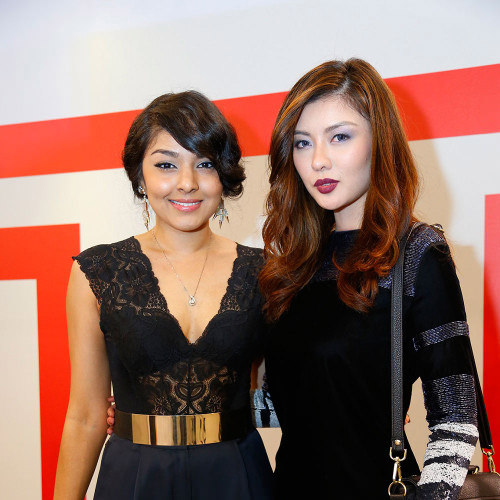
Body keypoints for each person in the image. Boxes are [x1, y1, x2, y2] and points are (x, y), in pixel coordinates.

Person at [259, 58, 479, 499]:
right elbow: (301, 403)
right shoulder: (292, 263)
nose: (318, 160)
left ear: (380, 140)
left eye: (340, 137)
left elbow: (456, 417)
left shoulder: (417, 253)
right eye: (302, 143)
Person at [53, 91, 273, 500]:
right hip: (134, 477)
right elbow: (84, 417)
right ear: (140, 175)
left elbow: (296, 392)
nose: (187, 183)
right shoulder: (97, 272)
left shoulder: (265, 272)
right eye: (166, 164)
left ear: (224, 175)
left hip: (237, 475)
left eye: (205, 164)